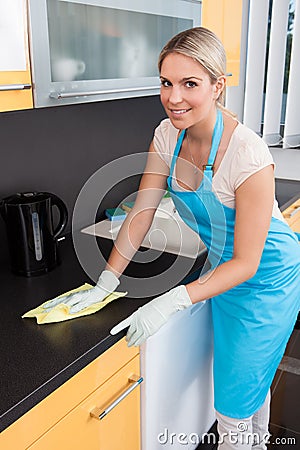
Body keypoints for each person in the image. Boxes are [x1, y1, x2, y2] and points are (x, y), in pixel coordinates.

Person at [45, 27, 300, 449]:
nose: (174, 97)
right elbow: (143, 210)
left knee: (232, 408)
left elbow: (249, 262)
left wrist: (174, 298)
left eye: (190, 84)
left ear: (218, 86)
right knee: (248, 387)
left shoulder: (247, 154)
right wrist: (106, 281)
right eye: (166, 82)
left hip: (267, 280)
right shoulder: (168, 134)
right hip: (223, 273)